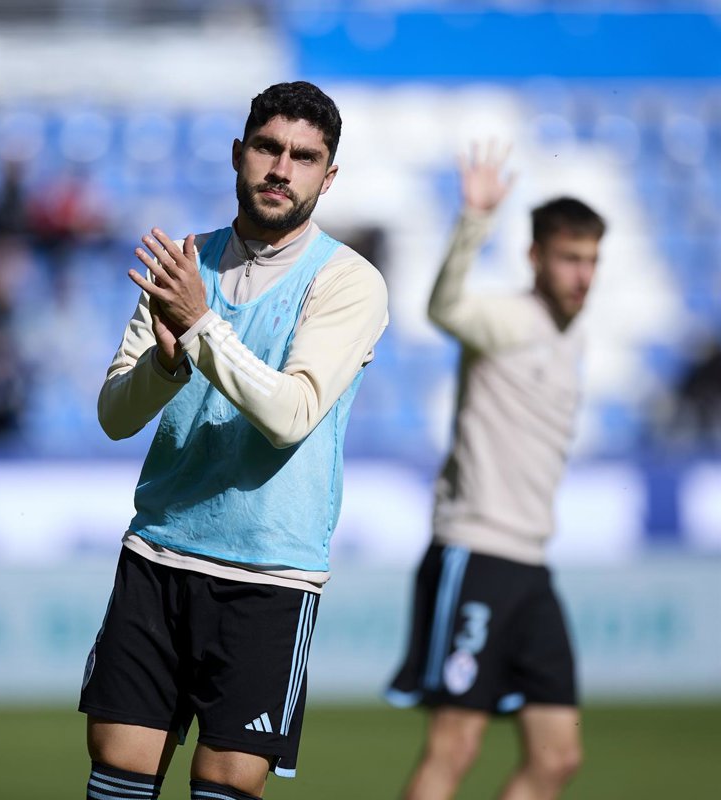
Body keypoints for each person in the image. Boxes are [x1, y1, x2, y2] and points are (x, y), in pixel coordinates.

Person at [79, 81, 389, 800]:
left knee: (224, 788)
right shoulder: (184, 265)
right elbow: (115, 415)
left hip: (268, 575)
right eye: (268, 148)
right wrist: (164, 368)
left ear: (328, 177)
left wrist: (198, 325)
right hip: (158, 554)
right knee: (115, 779)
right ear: (237, 154)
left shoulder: (348, 282)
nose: (282, 168)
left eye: (304, 157)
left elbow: (292, 414)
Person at [385, 143, 605, 800]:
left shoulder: (574, 335)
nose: (583, 275)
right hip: (477, 551)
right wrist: (474, 222)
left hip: (531, 563)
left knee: (558, 755)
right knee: (456, 744)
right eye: (569, 258)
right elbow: (445, 309)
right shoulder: (508, 319)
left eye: (591, 260)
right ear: (535, 257)